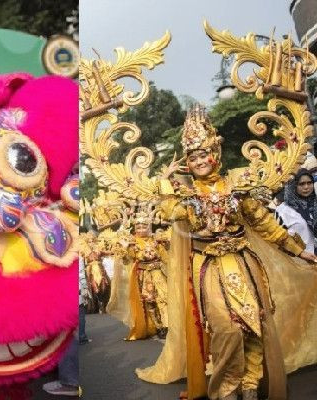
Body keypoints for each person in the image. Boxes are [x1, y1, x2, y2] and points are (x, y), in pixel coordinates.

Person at [146, 106, 317, 400]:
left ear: (216, 154)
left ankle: (250, 385)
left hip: (243, 262)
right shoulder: (186, 194)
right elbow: (172, 212)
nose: (199, 161)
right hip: (209, 267)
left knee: (255, 323)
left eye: (204, 155)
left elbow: (264, 223)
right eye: (193, 157)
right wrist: (166, 183)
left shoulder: (238, 185)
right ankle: (226, 388)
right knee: (227, 329)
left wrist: (299, 252)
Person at [121, 210, 170, 340]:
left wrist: (168, 247)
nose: (142, 229)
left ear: (149, 227)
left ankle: (167, 325)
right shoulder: (133, 243)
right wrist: (125, 248)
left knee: (164, 298)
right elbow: (128, 259)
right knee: (150, 301)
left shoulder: (156, 240)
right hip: (144, 275)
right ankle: (158, 326)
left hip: (159, 273)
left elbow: (166, 258)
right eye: (138, 227)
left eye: (144, 226)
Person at [280, 168, 317, 253]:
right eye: (302, 184)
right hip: (298, 261)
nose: (306, 187)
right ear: (294, 185)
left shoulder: (315, 203)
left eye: (309, 183)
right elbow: (278, 238)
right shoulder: (284, 210)